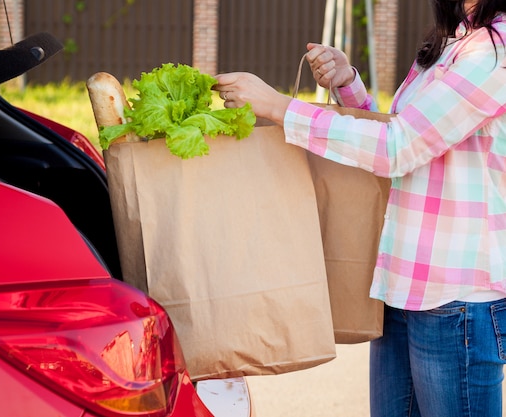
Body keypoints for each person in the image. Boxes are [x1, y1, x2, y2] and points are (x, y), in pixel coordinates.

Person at [215, 1, 506, 416]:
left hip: (456, 299)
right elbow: (400, 138)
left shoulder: (494, 52)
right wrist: (348, 83)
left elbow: (400, 147)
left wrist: (279, 108)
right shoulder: (453, 39)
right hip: (401, 285)